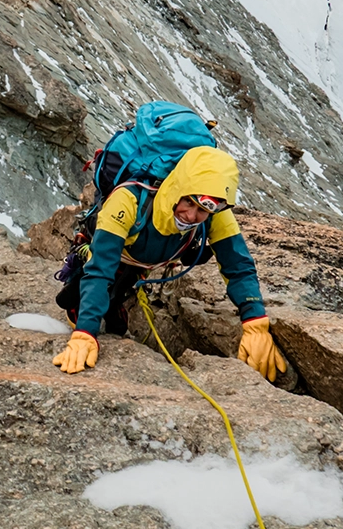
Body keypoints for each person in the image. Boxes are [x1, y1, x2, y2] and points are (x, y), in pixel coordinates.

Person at [52, 145, 288, 381]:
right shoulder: (129, 199)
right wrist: (85, 332)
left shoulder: (215, 213)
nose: (192, 216)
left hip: (142, 262)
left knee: (116, 310)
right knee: (73, 299)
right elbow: (100, 269)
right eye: (189, 203)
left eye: (203, 210)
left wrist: (255, 321)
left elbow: (238, 264)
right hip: (107, 248)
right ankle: (86, 297)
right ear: (178, 190)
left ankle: (118, 296)